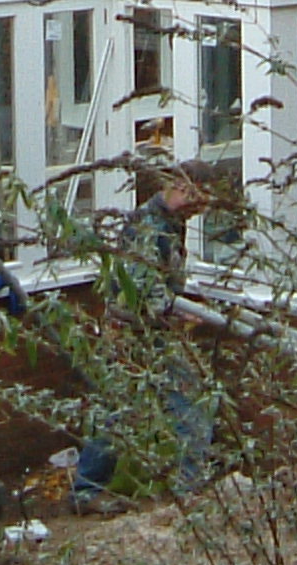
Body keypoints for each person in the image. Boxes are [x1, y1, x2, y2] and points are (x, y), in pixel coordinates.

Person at [76, 162, 217, 503]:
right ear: (183, 188)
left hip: (147, 331)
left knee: (121, 409)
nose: (201, 209)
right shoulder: (148, 227)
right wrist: (179, 313)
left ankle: (87, 489)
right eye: (200, 199)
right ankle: (190, 489)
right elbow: (142, 291)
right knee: (188, 404)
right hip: (136, 334)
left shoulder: (171, 223)